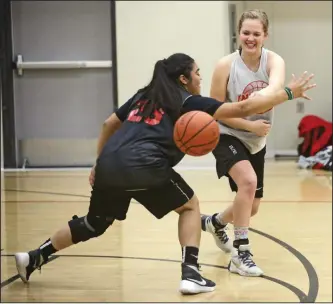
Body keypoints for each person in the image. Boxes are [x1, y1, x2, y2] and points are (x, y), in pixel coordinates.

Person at [14, 53, 315, 294]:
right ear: (184, 78)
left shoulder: (144, 95)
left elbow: (108, 125)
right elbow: (244, 106)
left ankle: (34, 256)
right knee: (190, 206)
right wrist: (288, 93)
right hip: (145, 163)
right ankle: (191, 274)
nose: (200, 77)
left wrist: (99, 162)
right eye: (197, 72)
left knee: (94, 223)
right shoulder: (187, 100)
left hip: (110, 164)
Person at [201, 9, 293, 277]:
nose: (250, 38)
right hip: (227, 133)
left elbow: (273, 87)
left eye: (256, 33)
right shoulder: (225, 66)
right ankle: (241, 254)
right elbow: (216, 110)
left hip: (257, 139)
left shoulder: (274, 61)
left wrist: (272, 98)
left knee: (251, 206)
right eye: (246, 33)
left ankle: (215, 222)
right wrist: (249, 121)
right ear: (238, 34)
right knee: (248, 182)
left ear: (265, 35)